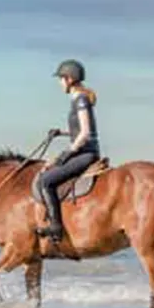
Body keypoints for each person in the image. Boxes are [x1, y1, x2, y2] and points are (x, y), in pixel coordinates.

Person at [36, 59, 101, 242]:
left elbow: (85, 133)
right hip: (83, 151)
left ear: (69, 79)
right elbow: (79, 131)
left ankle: (56, 227)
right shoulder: (78, 99)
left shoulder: (80, 100)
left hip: (85, 153)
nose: (60, 83)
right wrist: (61, 133)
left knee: (45, 181)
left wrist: (68, 152)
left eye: (61, 79)